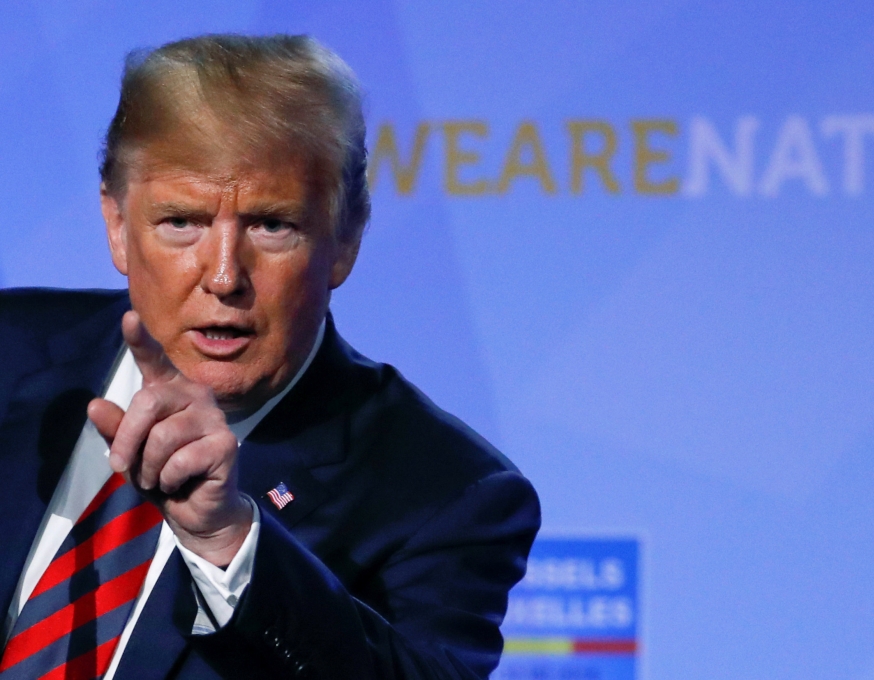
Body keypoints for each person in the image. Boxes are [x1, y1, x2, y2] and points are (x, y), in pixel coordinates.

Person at [0, 34, 540, 679]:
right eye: (182, 222)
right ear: (117, 225)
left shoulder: (447, 493)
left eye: (271, 225)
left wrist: (228, 542)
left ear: (344, 240)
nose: (224, 276)